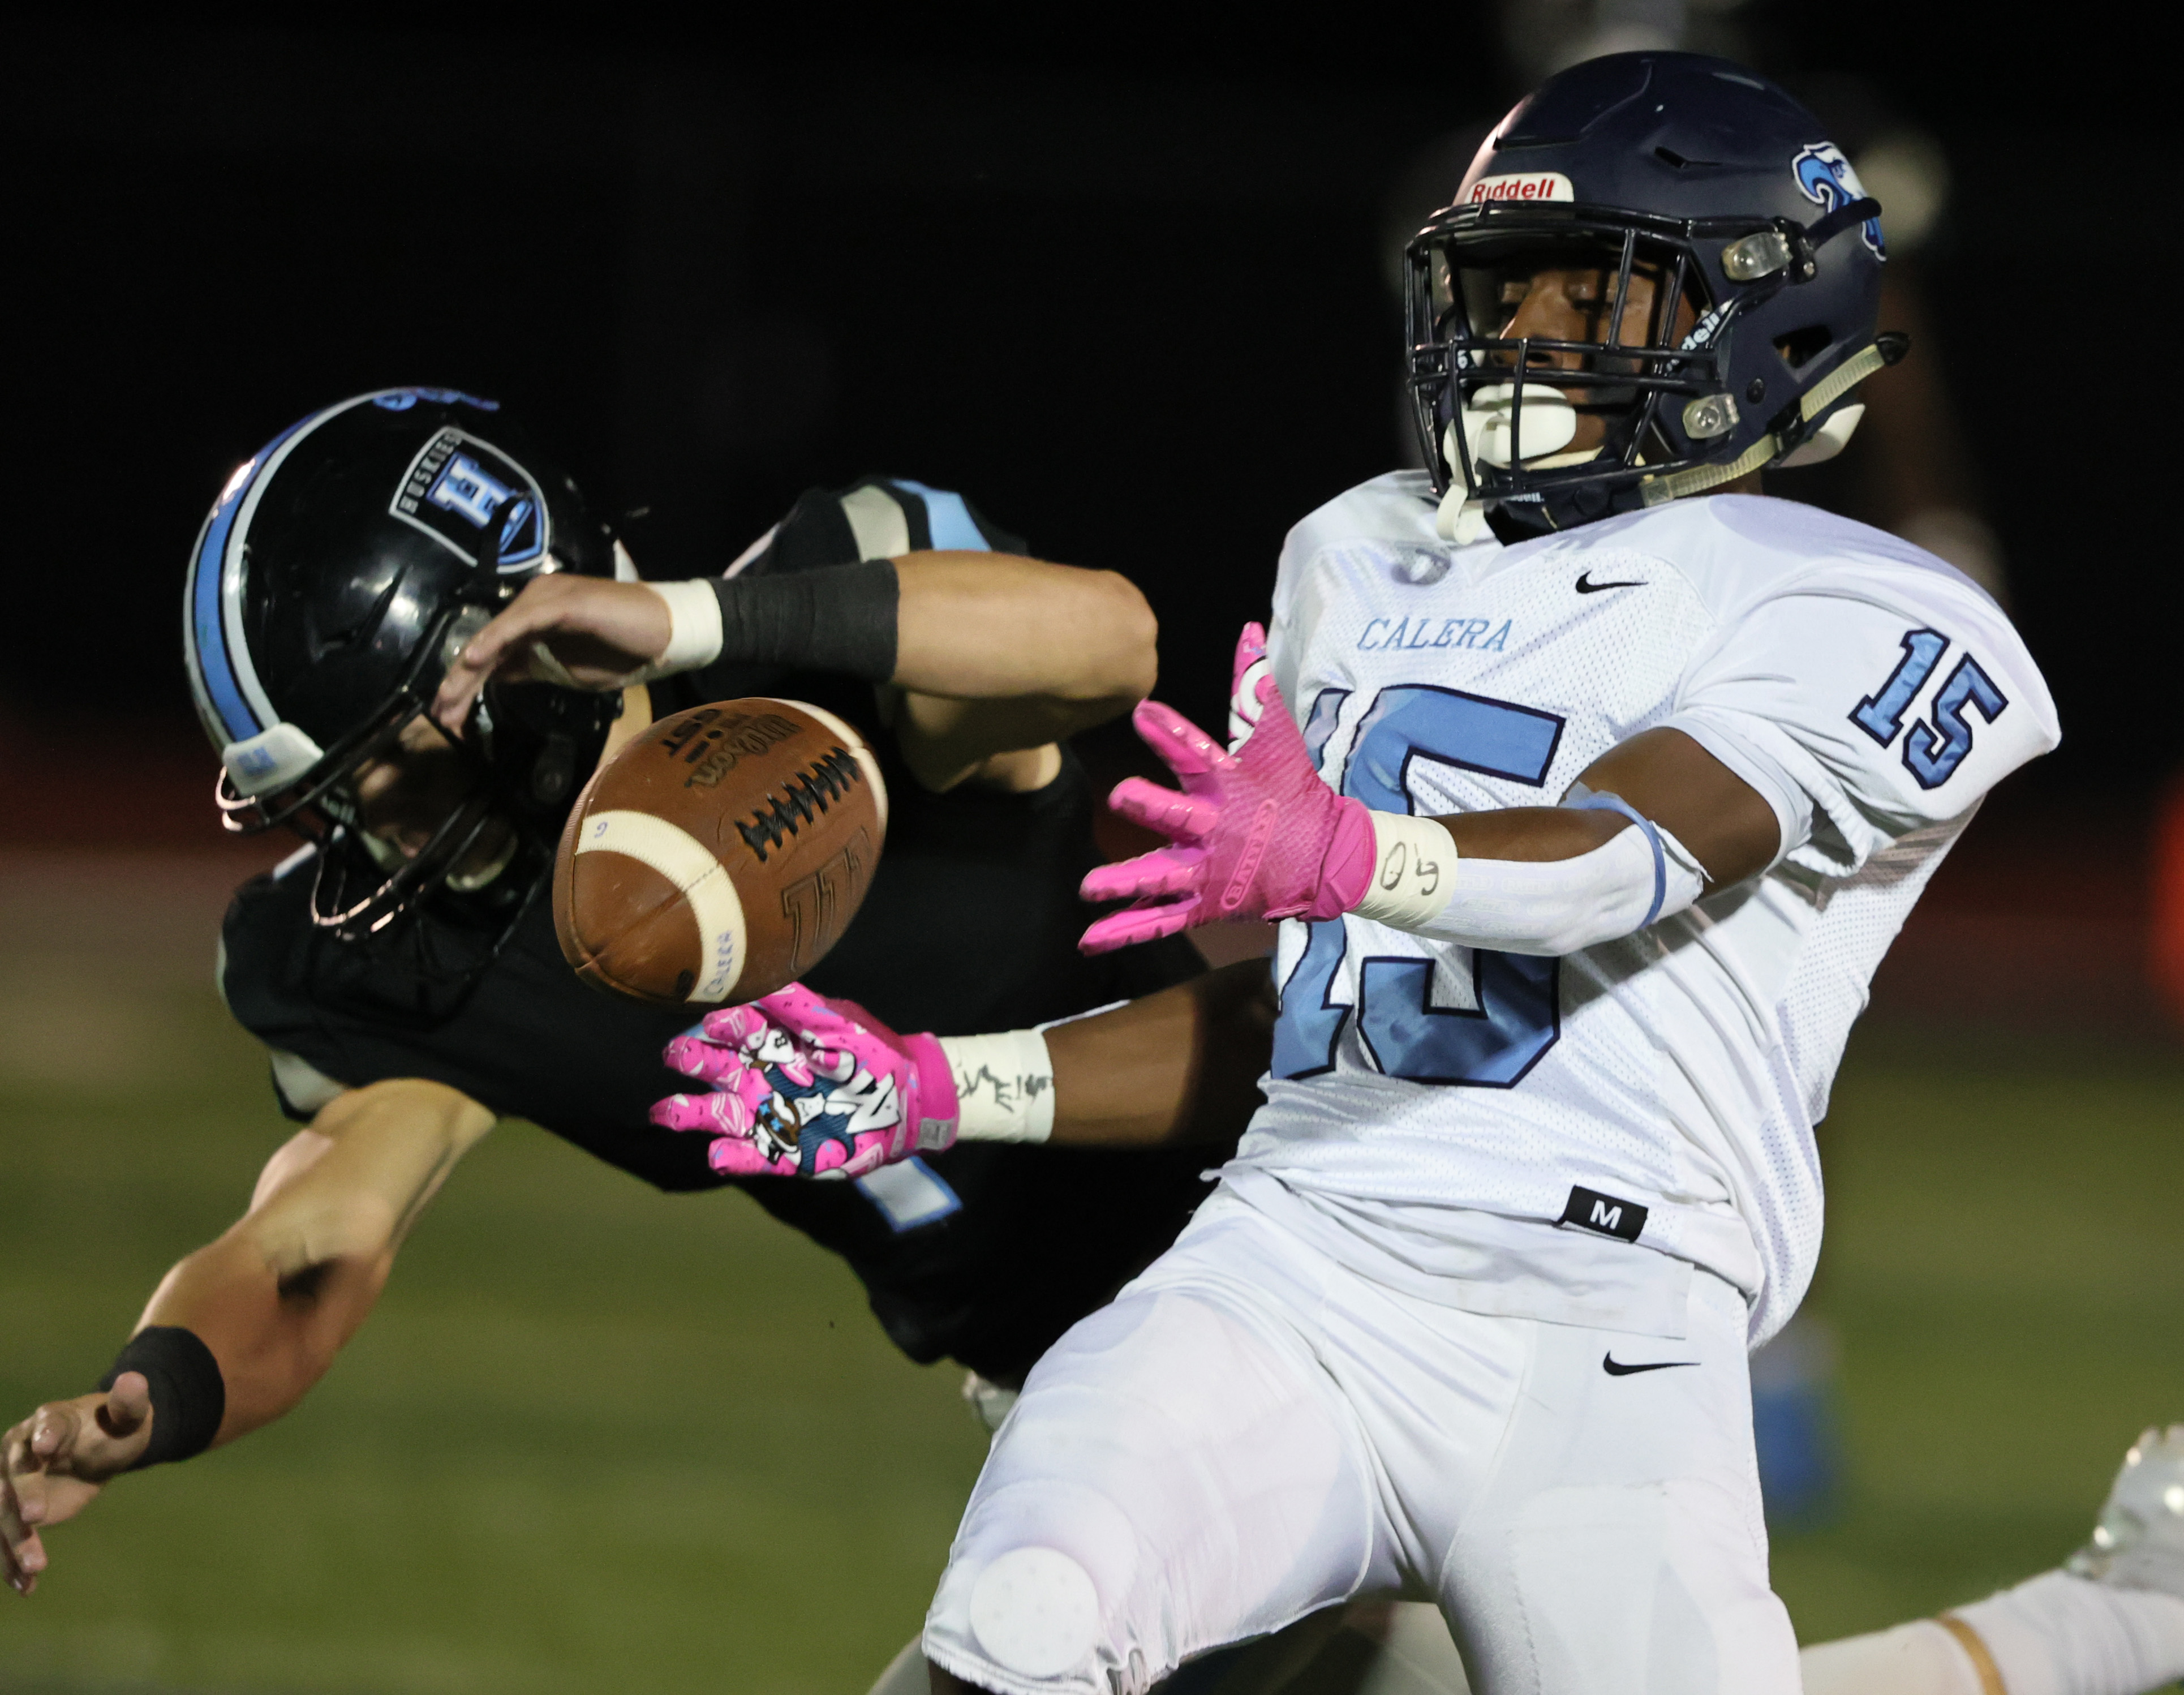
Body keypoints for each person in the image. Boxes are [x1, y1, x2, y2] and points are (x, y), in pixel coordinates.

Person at [667, 52, 2109, 1695]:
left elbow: (1621, 858)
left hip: (1610, 1321)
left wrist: (1353, 850)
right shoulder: (1357, 550)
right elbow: (1294, 1022)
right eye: (1497, 291)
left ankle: (2112, 1618)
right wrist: (933, 1085)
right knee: (1017, 1628)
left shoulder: (1843, 601)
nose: (1515, 341)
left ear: (1756, 324)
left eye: (1588, 293)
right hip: (1293, 1258)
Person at [0, 388, 1272, 1606]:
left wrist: (701, 626)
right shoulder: (391, 952)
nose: (368, 834)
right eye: (327, 799)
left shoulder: (802, 641)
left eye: (386, 761)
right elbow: (308, 1239)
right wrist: (156, 1390)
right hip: (1076, 1398)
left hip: (1300, 1264)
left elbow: (1111, 642)